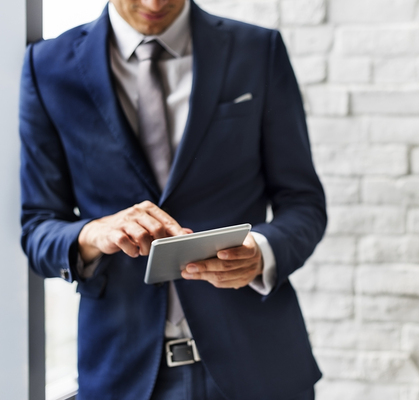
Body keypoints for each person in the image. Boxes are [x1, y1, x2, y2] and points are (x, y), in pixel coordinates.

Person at [19, 0, 327, 399]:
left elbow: (303, 201)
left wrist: (262, 253)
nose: (154, 3)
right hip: (123, 374)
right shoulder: (47, 67)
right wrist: (94, 233)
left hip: (259, 366)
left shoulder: (256, 49)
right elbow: (37, 226)